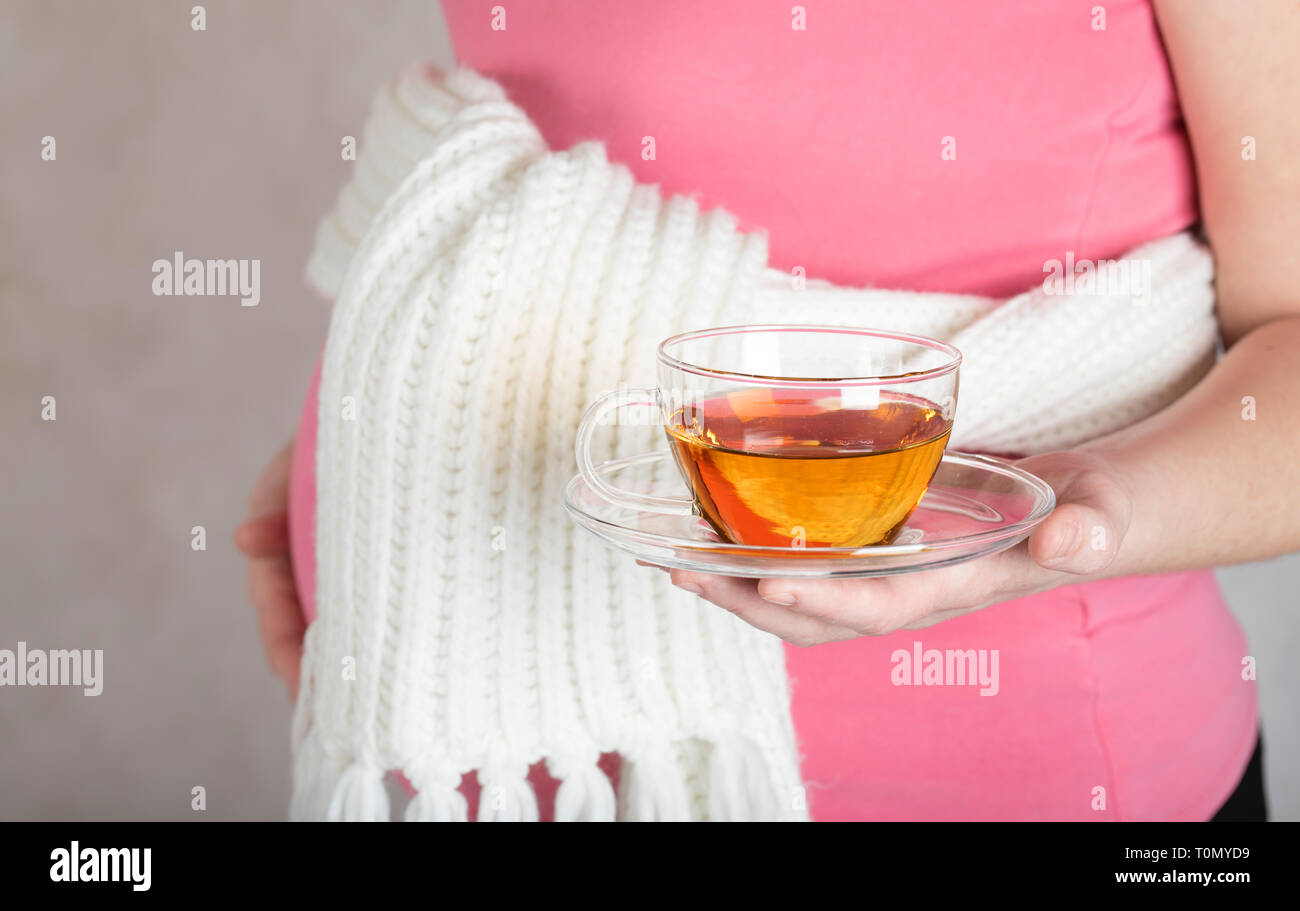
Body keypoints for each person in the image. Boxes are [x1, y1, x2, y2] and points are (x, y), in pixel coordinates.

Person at [237, 0, 1297, 820]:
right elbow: (567, 136)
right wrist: (390, 422)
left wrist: (1092, 504)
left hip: (1016, 768)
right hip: (497, 730)